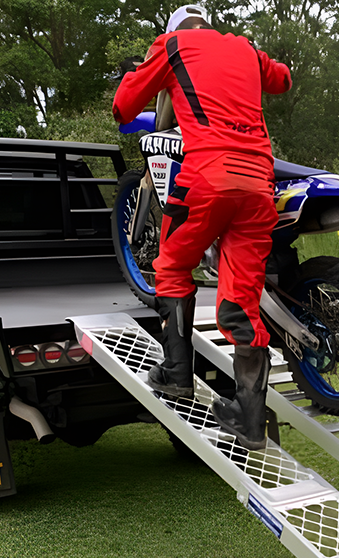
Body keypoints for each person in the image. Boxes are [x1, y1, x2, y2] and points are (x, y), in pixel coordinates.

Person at [112, 4, 292, 450]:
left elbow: (123, 107)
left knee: (171, 266)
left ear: (174, 30)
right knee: (240, 303)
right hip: (257, 185)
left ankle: (177, 375)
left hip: (207, 177)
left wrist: (143, 73)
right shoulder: (246, 49)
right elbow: (283, 80)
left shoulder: (171, 45)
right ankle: (250, 421)